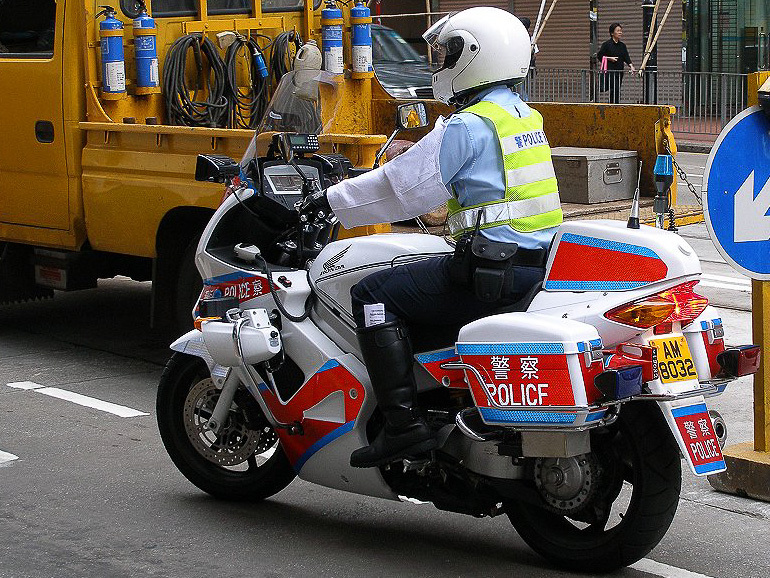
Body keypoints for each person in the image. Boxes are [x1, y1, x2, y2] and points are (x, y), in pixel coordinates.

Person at [306, 7, 562, 468]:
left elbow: (399, 190)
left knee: (372, 293)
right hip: (533, 266)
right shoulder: (523, 116)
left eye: (447, 53)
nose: (440, 64)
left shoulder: (468, 125)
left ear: (474, 56)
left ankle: (403, 427)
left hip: (489, 273)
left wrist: (329, 201)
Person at [597, 23, 636, 104]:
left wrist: (631, 66)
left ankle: (612, 105)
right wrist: (609, 58)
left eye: (621, 31)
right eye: (618, 31)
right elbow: (599, 55)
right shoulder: (606, 44)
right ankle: (614, 105)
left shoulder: (622, 46)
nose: (620, 32)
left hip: (619, 71)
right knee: (615, 88)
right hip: (610, 71)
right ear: (612, 33)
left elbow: (626, 57)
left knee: (616, 89)